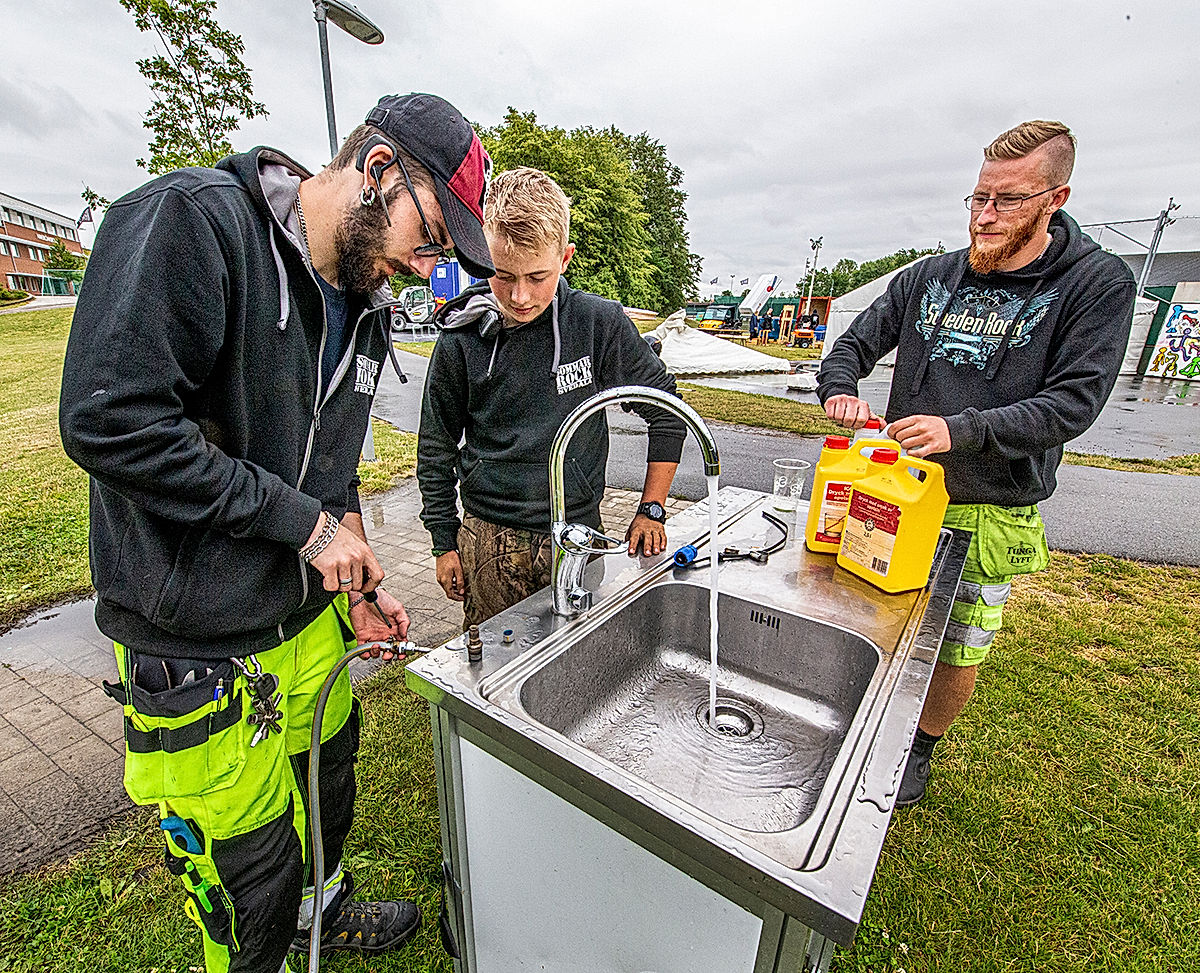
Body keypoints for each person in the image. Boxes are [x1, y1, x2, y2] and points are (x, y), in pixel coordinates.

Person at [59, 93, 495, 972]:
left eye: (444, 251)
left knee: (328, 784)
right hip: (196, 634)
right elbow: (110, 422)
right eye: (433, 233)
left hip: (303, 620)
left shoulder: (366, 311)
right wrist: (303, 528)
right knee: (249, 880)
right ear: (377, 171)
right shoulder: (194, 223)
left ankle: (320, 918)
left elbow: (329, 472)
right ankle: (270, 939)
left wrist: (361, 578)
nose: (427, 264)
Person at [816, 120, 1135, 806]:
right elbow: (852, 343)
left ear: (1056, 197)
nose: (985, 217)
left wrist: (961, 430)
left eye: (1008, 201)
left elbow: (1073, 403)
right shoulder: (932, 276)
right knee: (868, 616)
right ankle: (859, 720)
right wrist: (840, 386)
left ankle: (919, 747)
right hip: (897, 489)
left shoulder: (1095, 283)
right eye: (977, 198)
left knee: (958, 642)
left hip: (988, 506)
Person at [417, 166, 687, 628]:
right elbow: (435, 446)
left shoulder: (597, 324)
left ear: (565, 258)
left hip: (578, 537)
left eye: (537, 277)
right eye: (504, 276)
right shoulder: (461, 334)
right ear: (482, 260)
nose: (520, 296)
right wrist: (445, 543)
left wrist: (652, 509)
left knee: (583, 668)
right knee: (494, 672)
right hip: (487, 539)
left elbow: (667, 413)